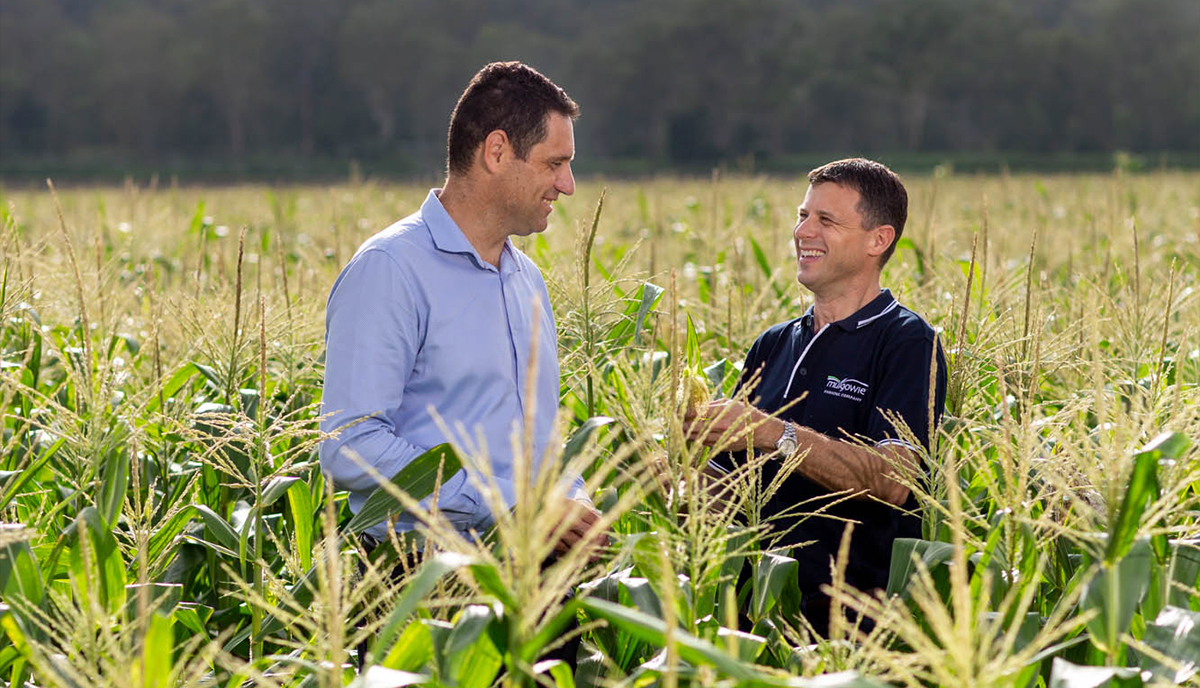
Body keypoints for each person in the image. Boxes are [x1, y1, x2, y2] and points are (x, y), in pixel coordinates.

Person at [319, 61, 603, 563]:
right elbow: (351, 445)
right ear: (497, 152)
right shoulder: (390, 269)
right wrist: (510, 504)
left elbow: (541, 441)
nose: (568, 185)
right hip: (420, 580)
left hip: (539, 576)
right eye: (554, 163)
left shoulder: (527, 281)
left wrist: (573, 501)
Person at [685, 158, 947, 637]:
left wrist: (772, 432)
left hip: (850, 631)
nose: (803, 230)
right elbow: (731, 494)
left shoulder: (908, 342)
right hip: (755, 618)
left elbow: (895, 480)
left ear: (878, 240)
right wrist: (675, 475)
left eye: (826, 220)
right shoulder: (773, 343)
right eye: (803, 215)